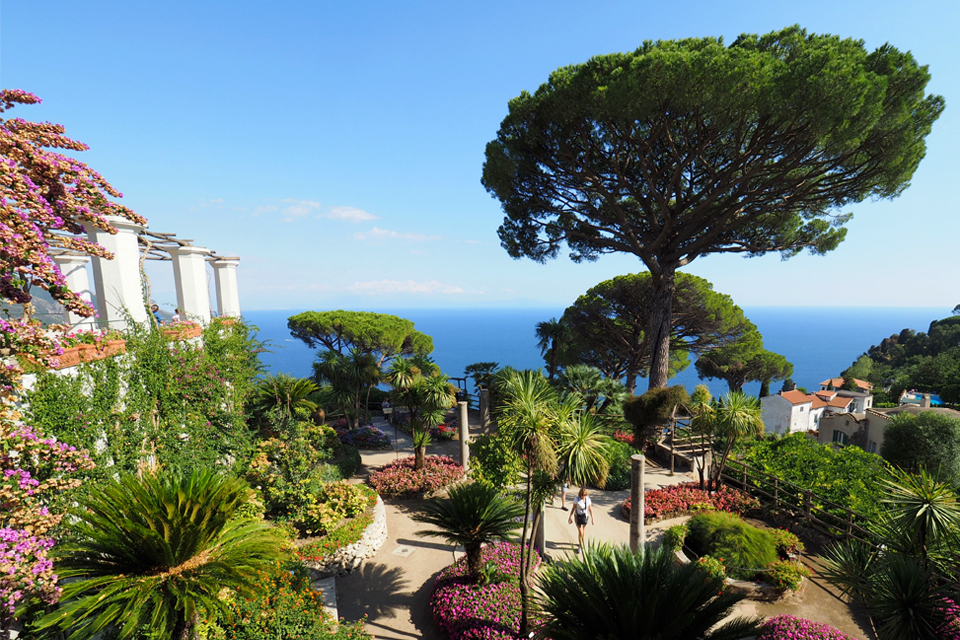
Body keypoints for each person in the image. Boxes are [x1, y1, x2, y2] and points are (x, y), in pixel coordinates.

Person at [567, 487, 594, 554]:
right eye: (582, 495)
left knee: (583, 531)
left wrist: (592, 518)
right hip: (578, 516)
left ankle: (580, 543)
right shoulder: (577, 499)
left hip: (585, 516)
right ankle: (580, 546)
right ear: (580, 494)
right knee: (580, 532)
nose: (583, 496)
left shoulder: (588, 499)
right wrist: (570, 516)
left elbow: (590, 509)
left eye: (585, 495)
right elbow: (573, 508)